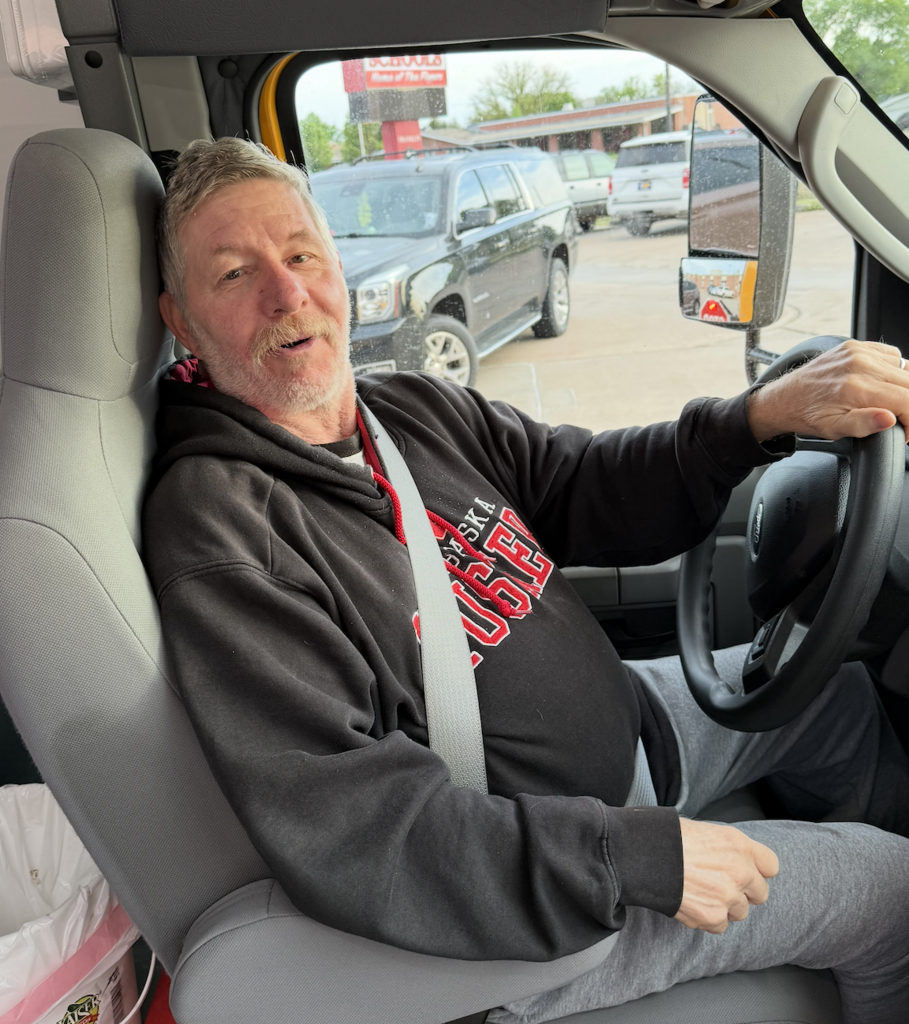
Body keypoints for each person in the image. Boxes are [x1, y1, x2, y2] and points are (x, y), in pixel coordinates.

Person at [143, 138, 909, 1024]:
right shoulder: (224, 531)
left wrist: (752, 420)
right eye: (234, 274)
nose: (287, 293)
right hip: (539, 913)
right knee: (888, 891)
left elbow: (578, 484)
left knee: (836, 700)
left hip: (631, 745)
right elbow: (365, 831)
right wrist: (633, 861)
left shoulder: (403, 408)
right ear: (182, 319)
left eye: (302, 254)